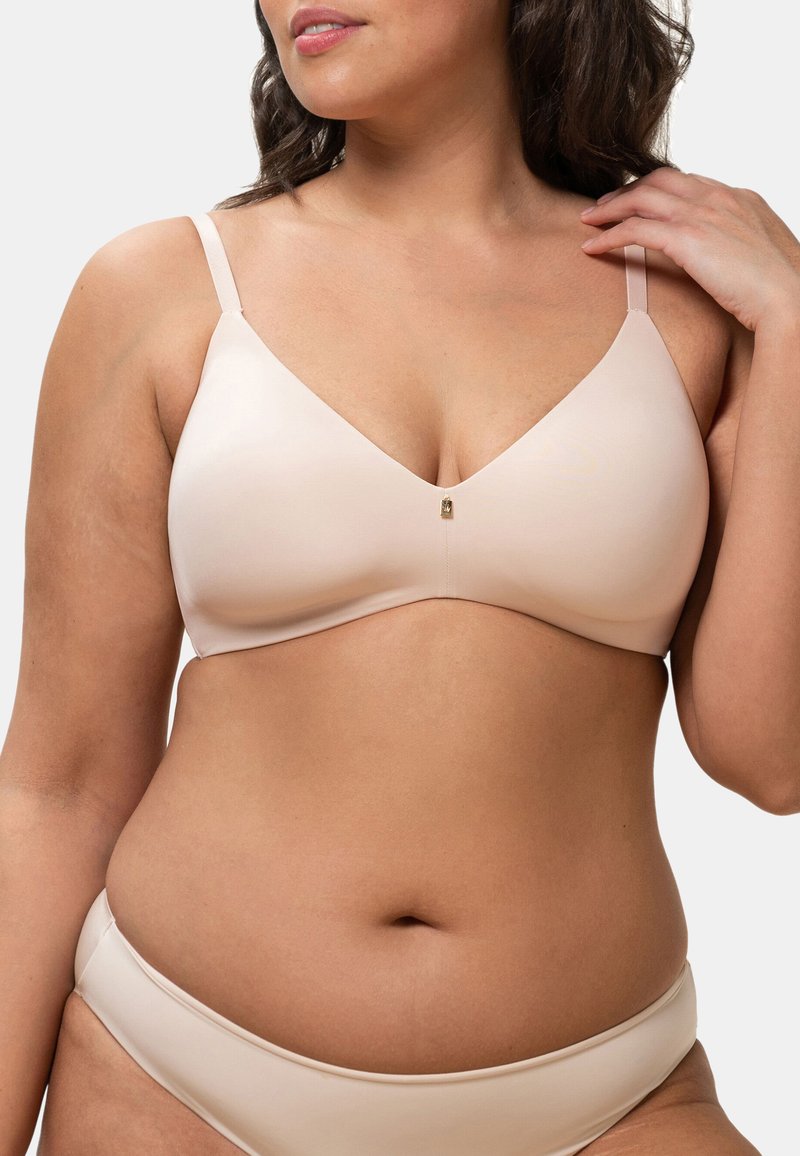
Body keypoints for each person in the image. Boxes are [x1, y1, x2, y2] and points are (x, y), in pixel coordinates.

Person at [3, 1, 799, 1153]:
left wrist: (793, 329)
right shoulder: (163, 289)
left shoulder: (685, 305)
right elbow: (58, 787)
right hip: (175, 1076)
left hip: (605, 1097)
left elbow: (769, 757)